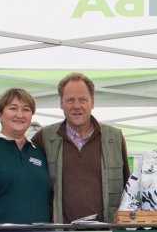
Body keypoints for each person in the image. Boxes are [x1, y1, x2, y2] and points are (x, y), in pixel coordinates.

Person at [32, 73, 129, 223]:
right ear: (61, 103)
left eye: (83, 100)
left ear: (92, 102)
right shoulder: (44, 138)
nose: (77, 106)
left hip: (106, 231)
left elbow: (128, 190)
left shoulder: (114, 138)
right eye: (70, 100)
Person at [0, 88, 51, 225]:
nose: (20, 115)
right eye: (13, 108)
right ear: (0, 114)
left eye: (26, 109)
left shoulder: (40, 153)